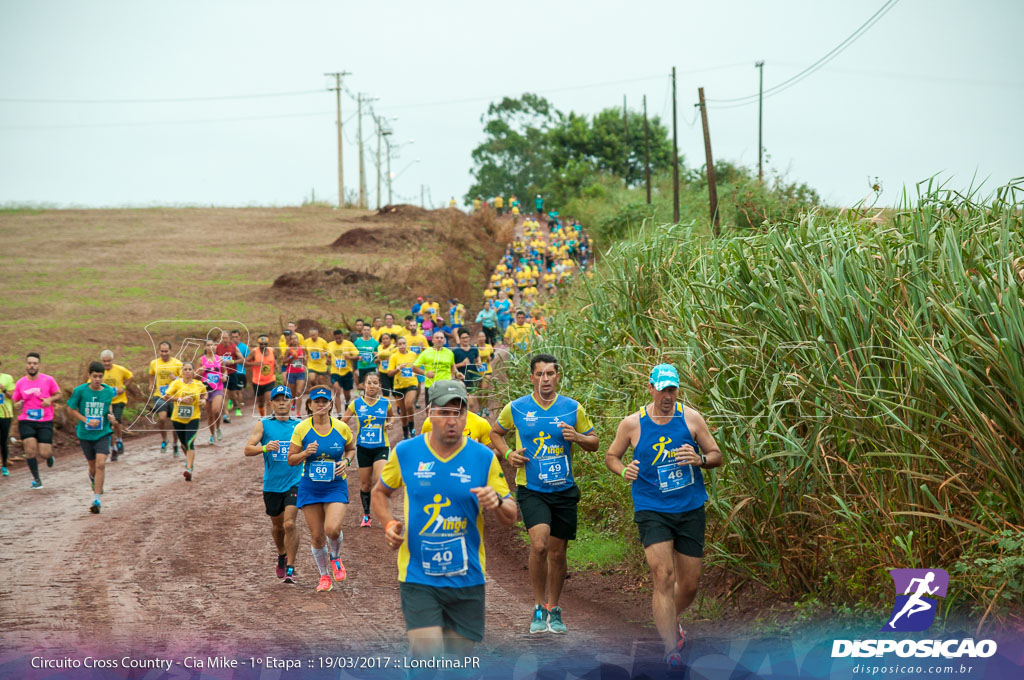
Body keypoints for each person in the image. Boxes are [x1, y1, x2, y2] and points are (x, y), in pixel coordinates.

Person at [371, 380, 517, 658]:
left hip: (467, 576)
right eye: (444, 412)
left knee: (458, 661)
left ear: (467, 416)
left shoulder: (484, 457)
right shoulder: (406, 452)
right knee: (427, 652)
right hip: (418, 574)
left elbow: (511, 515)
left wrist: (496, 502)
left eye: (458, 413)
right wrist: (389, 524)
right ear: (429, 413)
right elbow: (380, 492)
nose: (452, 420)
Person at [603, 364, 722, 671]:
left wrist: (700, 459)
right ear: (650, 388)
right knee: (663, 575)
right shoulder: (632, 424)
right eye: (662, 389)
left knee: (690, 584)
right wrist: (623, 470)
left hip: (690, 506)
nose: (667, 396)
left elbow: (717, 455)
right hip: (651, 508)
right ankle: (671, 650)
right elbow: (611, 456)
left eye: (672, 389)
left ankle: (668, 618)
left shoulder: (691, 418)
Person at [490, 353, 599, 635]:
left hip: (563, 489)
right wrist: (507, 453)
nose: (545, 379)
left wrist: (579, 438)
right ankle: (538, 606)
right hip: (532, 488)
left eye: (550, 374)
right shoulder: (516, 408)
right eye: (539, 374)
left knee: (558, 551)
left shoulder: (572, 408)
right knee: (539, 545)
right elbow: (496, 433)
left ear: (558, 376)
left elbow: (594, 442)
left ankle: (554, 607)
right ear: (531, 378)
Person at [288, 386, 356, 592]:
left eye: (324, 401)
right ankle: (324, 576)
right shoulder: (301, 428)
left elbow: (351, 449)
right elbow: (291, 460)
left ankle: (335, 558)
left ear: (330, 405)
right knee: (317, 536)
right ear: (309, 405)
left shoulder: (341, 427)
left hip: (335, 484)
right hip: (310, 486)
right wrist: (305, 453)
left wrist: (347, 461)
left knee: (332, 529)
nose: (320, 405)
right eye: (316, 401)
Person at [243, 385, 302, 584]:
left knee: (290, 523)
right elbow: (247, 449)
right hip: (272, 485)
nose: (282, 402)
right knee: (278, 526)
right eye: (278, 399)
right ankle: (282, 554)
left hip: (296, 481)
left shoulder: (300, 425)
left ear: (292, 402)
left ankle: (291, 568)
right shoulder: (264, 425)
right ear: (271, 404)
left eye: (286, 399)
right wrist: (265, 447)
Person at [343, 373, 394, 528]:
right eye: (369, 383)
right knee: (365, 485)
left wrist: (389, 423)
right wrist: (346, 432)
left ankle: (383, 513)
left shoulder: (386, 403)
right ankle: (366, 515)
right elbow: (343, 422)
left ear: (380, 386)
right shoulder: (356, 404)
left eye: (376, 383)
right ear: (363, 386)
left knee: (380, 479)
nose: (372, 386)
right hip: (363, 448)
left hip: (381, 446)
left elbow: (391, 417)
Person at [67, 362, 117, 513]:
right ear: (89, 376)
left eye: (100, 376)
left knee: (101, 464)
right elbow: (70, 410)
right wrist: (86, 420)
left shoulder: (108, 391)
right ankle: (93, 480)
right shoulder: (80, 391)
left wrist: (111, 417)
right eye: (94, 376)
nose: (97, 379)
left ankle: (97, 500)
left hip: (103, 433)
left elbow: (109, 407)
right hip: (85, 434)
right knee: (92, 466)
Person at [11, 352, 61, 489]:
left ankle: (49, 456)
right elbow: (15, 400)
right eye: (29, 363)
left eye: (34, 363)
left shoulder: (48, 380)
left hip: (45, 420)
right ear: (26, 365)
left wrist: (50, 400)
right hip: (26, 420)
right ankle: (37, 479)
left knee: (44, 452)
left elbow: (59, 394)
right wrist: (18, 405)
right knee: (30, 450)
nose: (32, 366)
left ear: (39, 365)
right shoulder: (21, 382)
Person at [163, 362, 208, 481]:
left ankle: (188, 469)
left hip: (193, 417)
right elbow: (166, 397)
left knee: (189, 443)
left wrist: (203, 401)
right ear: (182, 372)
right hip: (178, 418)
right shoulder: (176, 383)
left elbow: (205, 394)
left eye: (190, 369)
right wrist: (181, 399)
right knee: (183, 444)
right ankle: (190, 463)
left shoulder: (198, 384)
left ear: (193, 371)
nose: (188, 371)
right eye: (185, 369)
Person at [148, 341, 183, 455]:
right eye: (162, 351)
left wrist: (176, 378)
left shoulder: (177, 364)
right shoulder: (154, 363)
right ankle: (164, 439)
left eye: (166, 351)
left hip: (174, 396)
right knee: (162, 418)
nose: (164, 353)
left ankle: (175, 444)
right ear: (159, 351)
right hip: (160, 395)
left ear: (170, 351)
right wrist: (151, 384)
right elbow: (151, 374)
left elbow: (185, 380)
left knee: (175, 422)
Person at [411, 327, 461, 404]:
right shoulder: (426, 353)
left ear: (444, 341)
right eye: (437, 338)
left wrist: (457, 374)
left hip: (446, 385)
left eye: (441, 338)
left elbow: (453, 368)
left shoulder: (450, 353)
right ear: (433, 340)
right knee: (430, 411)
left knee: (446, 410)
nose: (439, 339)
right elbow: (414, 367)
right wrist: (426, 373)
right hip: (431, 386)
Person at [99, 349, 132, 460]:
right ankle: (113, 449)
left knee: (116, 422)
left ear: (112, 360)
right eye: (104, 361)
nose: (107, 363)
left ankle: (119, 440)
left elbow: (130, 376)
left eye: (109, 361)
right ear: (101, 361)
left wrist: (124, 387)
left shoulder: (120, 369)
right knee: (108, 427)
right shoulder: (98, 372)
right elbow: (90, 383)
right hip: (105, 403)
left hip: (118, 400)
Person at [385, 335, 419, 440]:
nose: (402, 345)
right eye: (400, 344)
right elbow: (389, 373)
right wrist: (398, 368)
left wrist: (418, 373)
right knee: (403, 412)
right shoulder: (394, 357)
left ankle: (412, 429)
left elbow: (417, 368)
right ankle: (405, 432)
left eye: (404, 343)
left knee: (409, 405)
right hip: (399, 386)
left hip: (412, 383)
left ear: (406, 344)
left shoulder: (413, 355)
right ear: (396, 345)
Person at [198, 339, 227, 444]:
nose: (210, 347)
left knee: (216, 411)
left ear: (215, 347)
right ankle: (212, 434)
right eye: (208, 345)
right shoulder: (201, 360)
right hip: (205, 389)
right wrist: (200, 371)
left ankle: (218, 428)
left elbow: (225, 371)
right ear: (205, 347)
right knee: (209, 415)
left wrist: (224, 376)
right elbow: (195, 374)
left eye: (212, 345)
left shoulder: (219, 359)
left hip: (217, 388)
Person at [327, 329, 358, 415]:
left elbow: (356, 356)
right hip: (335, 371)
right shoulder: (330, 345)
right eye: (336, 339)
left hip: (347, 372)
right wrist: (328, 361)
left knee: (347, 393)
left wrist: (349, 357)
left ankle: (347, 402)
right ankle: (339, 413)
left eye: (339, 338)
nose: (338, 340)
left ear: (342, 336)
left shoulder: (349, 344)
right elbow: (328, 356)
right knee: (336, 390)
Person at [245, 335, 277, 416]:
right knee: (261, 403)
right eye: (261, 344)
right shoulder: (254, 352)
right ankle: (262, 417)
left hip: (270, 380)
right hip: (257, 381)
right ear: (258, 344)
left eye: (265, 344)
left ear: (267, 344)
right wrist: (255, 363)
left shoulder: (272, 351)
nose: (263, 346)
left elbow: (274, 359)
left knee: (269, 401)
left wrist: (276, 365)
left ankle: (268, 420)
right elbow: (245, 363)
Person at [215, 330, 243, 422]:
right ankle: (226, 415)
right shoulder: (218, 348)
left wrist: (232, 362)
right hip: (222, 374)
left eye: (226, 338)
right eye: (223, 338)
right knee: (224, 394)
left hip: (232, 373)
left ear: (229, 338)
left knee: (233, 395)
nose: (224, 340)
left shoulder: (233, 347)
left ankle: (237, 406)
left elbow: (242, 360)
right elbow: (212, 359)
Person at [452, 329, 480, 414]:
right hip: (461, 380)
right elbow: (452, 366)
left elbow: (477, 358)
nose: (465, 339)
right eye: (463, 338)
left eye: (466, 337)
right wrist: (462, 364)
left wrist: (479, 362)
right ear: (459, 339)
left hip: (472, 378)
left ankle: (471, 420)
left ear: (469, 338)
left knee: (471, 404)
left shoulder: (474, 349)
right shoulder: (455, 351)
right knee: (464, 403)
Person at [226, 329, 249, 418]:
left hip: (240, 372)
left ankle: (238, 409)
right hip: (229, 372)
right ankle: (231, 400)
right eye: (233, 337)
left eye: (236, 337)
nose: (234, 339)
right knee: (228, 391)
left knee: (239, 392)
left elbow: (247, 361)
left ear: (240, 337)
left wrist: (235, 361)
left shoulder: (244, 347)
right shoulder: (228, 347)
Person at [282, 333, 307, 411]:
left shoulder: (302, 348)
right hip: (291, 372)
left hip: (300, 372)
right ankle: (293, 401)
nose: (294, 340)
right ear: (290, 341)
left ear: (298, 340)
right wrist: (291, 357)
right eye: (292, 339)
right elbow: (283, 361)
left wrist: (304, 358)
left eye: (295, 338)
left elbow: (306, 357)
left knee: (299, 392)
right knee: (293, 392)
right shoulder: (288, 349)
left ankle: (298, 412)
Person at [474, 331, 495, 416]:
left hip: (487, 370)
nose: (481, 338)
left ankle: (486, 408)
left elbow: (492, 355)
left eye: (483, 336)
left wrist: (490, 358)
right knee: (478, 391)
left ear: (485, 338)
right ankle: (480, 409)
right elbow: (472, 357)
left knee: (484, 389)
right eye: (480, 336)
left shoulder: (489, 346)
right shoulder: (474, 348)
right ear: (477, 338)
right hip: (477, 371)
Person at [354, 324, 380, 390]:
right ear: (362, 331)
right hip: (361, 366)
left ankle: (369, 397)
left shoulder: (375, 342)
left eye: (368, 330)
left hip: (372, 366)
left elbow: (379, 354)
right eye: (364, 330)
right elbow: (353, 354)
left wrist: (376, 354)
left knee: (371, 384)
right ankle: (361, 392)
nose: (366, 331)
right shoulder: (357, 342)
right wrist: (358, 357)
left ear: (370, 331)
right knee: (361, 385)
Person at [0, 360, 15, 477]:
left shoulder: (7, 378)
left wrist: (3, 389)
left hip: (5, 415)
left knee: (3, 441)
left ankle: (4, 465)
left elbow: (13, 396)